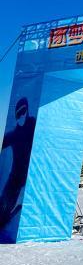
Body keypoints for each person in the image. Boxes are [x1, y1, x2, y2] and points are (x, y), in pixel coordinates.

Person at [0, 97, 37, 233]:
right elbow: (4, 140)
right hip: (15, 176)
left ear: (27, 111)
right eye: (18, 114)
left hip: (31, 175)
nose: (21, 116)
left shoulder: (34, 126)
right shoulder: (15, 134)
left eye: (23, 112)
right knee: (3, 202)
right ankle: (3, 216)